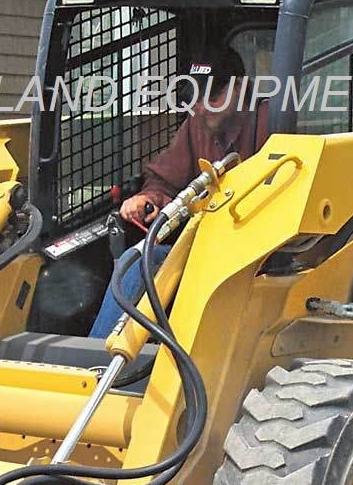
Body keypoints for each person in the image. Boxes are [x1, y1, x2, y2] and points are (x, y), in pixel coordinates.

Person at [89, 47, 263, 338]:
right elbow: (165, 179)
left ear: (240, 88)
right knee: (140, 256)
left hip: (258, 248)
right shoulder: (199, 124)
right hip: (207, 243)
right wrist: (149, 198)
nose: (201, 108)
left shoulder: (271, 124)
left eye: (211, 98)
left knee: (141, 261)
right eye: (195, 99)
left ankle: (91, 364)